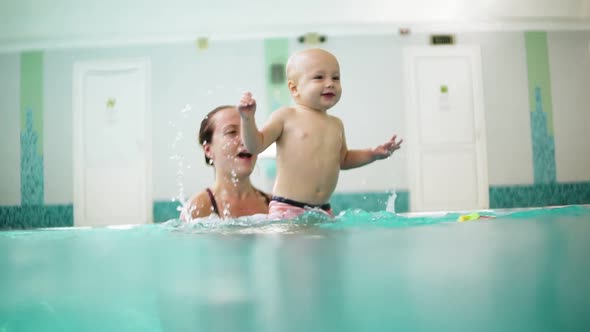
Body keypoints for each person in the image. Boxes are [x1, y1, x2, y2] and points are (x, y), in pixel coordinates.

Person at [238, 48, 403, 219]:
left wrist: (373, 154)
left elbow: (344, 160)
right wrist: (247, 119)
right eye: (319, 77)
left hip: (323, 210)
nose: (330, 83)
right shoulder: (286, 116)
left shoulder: (336, 124)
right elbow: (255, 146)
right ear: (294, 89)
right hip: (288, 209)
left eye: (335, 77)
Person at [182, 105, 270, 220]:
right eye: (231, 132)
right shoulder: (197, 210)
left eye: (249, 132)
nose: (246, 140)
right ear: (208, 150)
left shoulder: (275, 205)